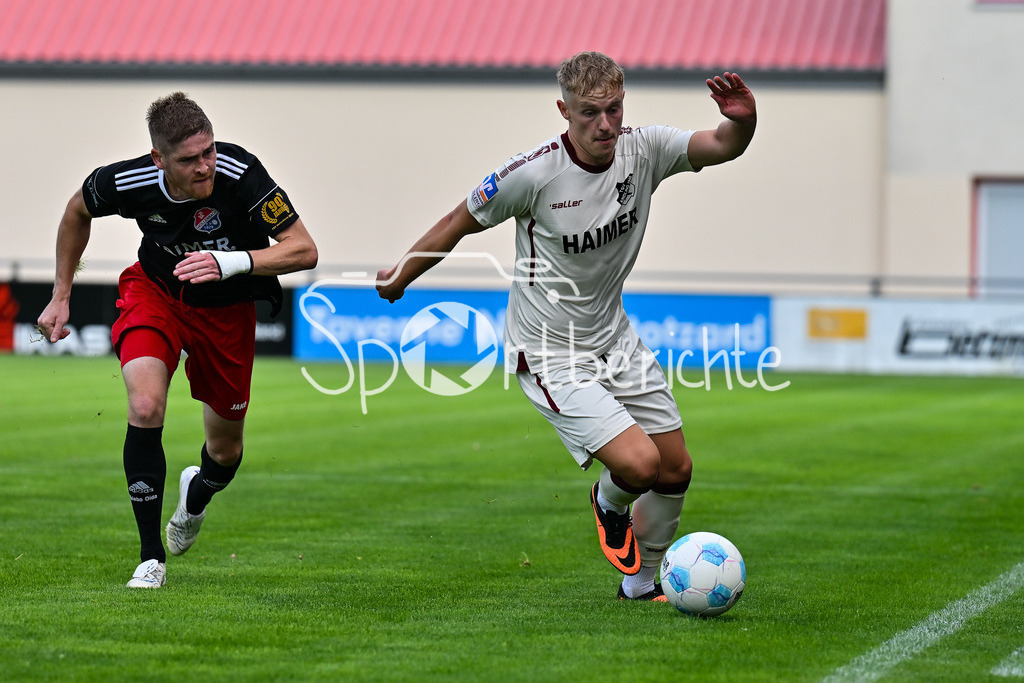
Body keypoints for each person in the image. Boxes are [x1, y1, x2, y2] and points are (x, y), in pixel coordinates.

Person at [376, 52, 755, 601]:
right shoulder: (533, 174)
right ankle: (607, 502)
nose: (605, 124)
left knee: (675, 470)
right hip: (549, 350)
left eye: (614, 110)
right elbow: (459, 221)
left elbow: (721, 145)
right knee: (640, 465)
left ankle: (641, 585)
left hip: (614, 337)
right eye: (590, 113)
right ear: (564, 111)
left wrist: (742, 120)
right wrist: (404, 274)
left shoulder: (643, 149)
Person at [36, 92, 318, 588]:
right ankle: (150, 559)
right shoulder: (127, 181)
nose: (205, 166)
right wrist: (61, 295)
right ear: (158, 160)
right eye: (189, 159)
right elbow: (75, 212)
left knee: (226, 453)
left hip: (226, 311)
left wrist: (228, 263)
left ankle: (196, 496)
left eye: (208, 152)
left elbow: (304, 250)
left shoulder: (242, 173)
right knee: (145, 406)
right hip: (156, 293)